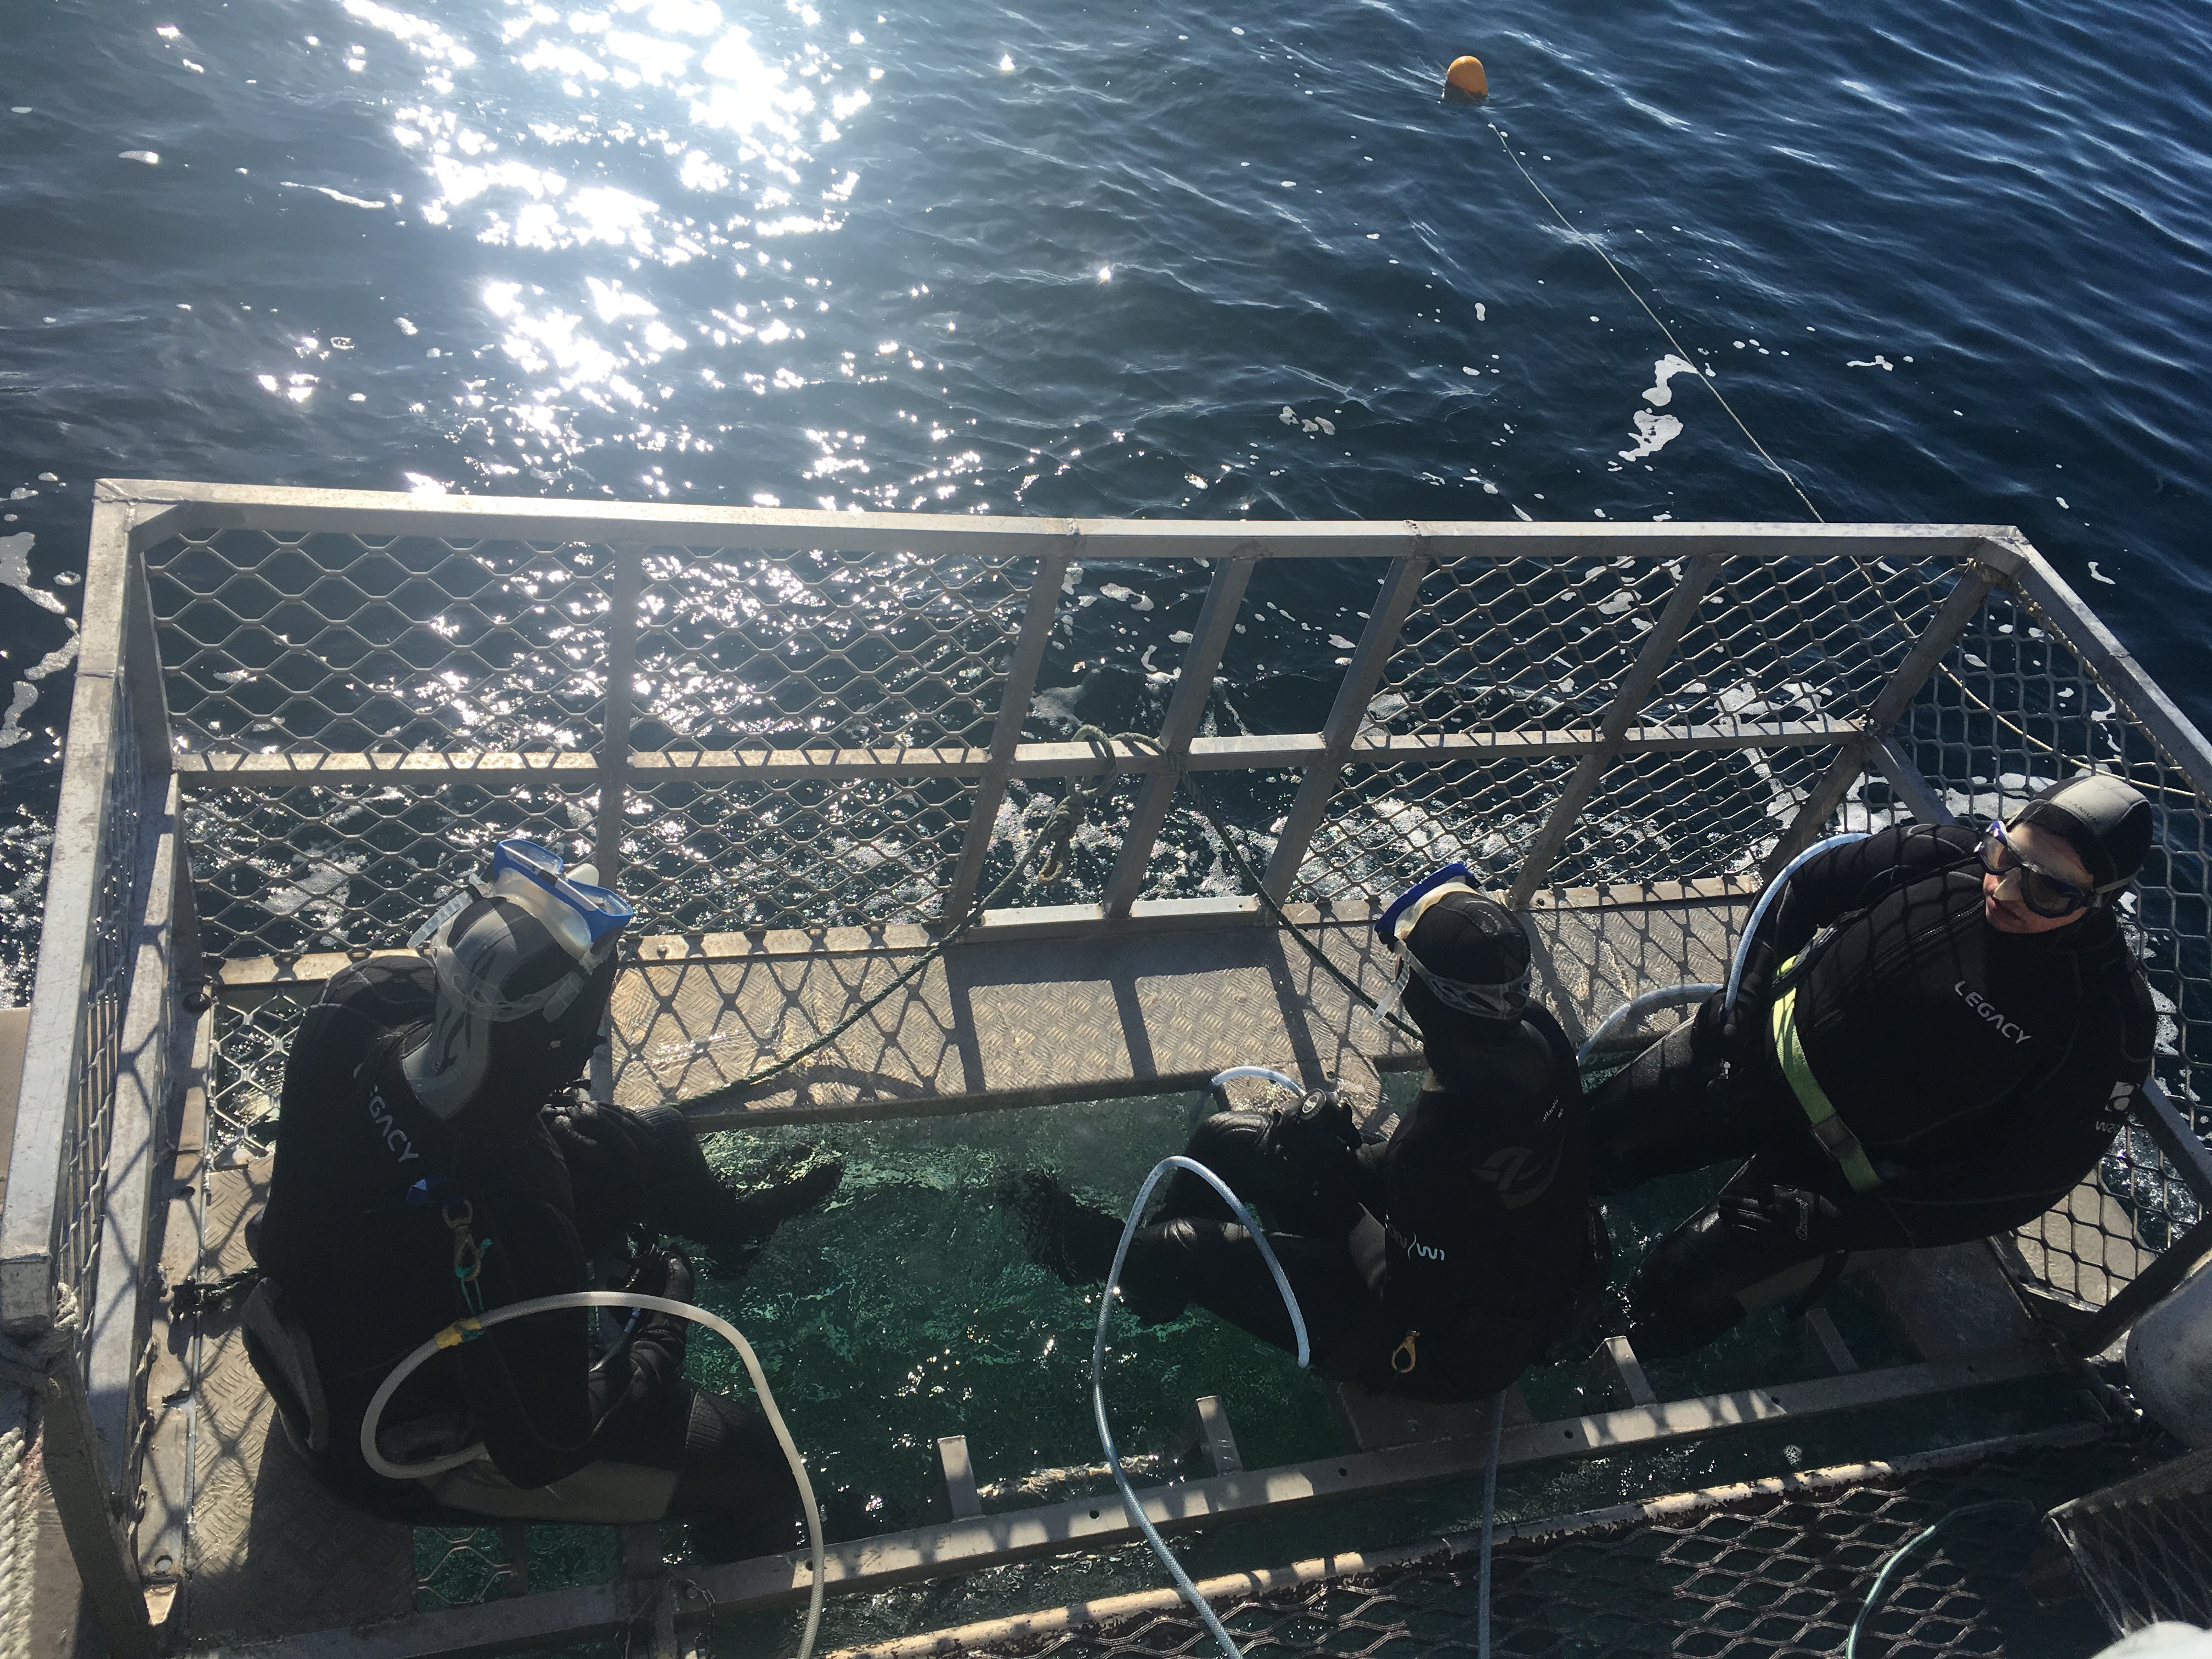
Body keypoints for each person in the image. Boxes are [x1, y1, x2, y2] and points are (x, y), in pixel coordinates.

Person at [242, 839, 842, 1546]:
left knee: (654, 1141)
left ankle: (736, 1233)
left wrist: (575, 1137)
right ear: (560, 1048)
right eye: (591, 1028)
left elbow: (457, 1101)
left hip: (354, 1276)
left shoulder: (360, 999)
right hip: (383, 1447)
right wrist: (663, 1319)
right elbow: (548, 1448)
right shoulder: (522, 1206)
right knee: (761, 1466)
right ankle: (742, 1581)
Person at [1589, 774, 2158, 1359]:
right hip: (1752, 1059)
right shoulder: (1942, 855)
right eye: (2004, 854)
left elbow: (2021, 1185)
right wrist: (1742, 1009)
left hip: (1841, 1177)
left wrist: (1832, 1219)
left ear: (2099, 900)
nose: (2007, 890)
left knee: (1660, 1307)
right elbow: (1801, 887)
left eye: (2048, 890)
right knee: (1574, 1151)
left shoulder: (2108, 1020)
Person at [1002, 867, 1608, 1401]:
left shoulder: (1433, 1147)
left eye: (1404, 965)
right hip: (1476, 1248)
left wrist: (1333, 1194)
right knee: (1225, 1141)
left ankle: (1124, 1258)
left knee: (1178, 1245)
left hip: (1442, 1354)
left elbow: (1406, 1298)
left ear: (1425, 996)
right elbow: (1461, 1181)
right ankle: (1157, 1289)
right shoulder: (1537, 1032)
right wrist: (1330, 1147)